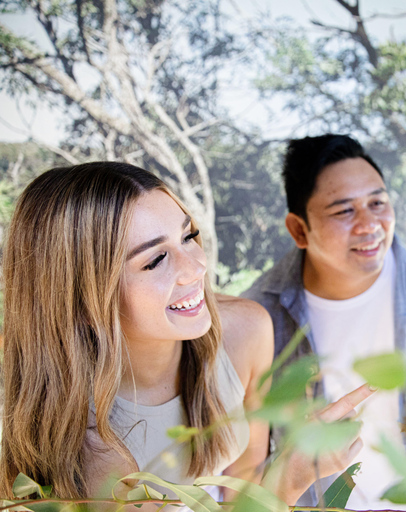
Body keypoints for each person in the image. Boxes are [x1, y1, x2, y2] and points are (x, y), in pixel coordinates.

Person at [0, 162, 371, 504]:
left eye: (188, 236)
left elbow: (242, 480)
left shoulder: (245, 331)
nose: (195, 268)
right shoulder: (88, 437)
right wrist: (291, 477)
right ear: (80, 300)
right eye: (156, 260)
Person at [242, 134, 406, 509]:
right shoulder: (261, 314)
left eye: (377, 203)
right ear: (299, 230)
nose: (370, 225)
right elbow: (247, 463)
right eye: (344, 211)